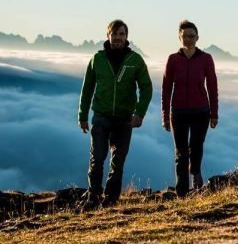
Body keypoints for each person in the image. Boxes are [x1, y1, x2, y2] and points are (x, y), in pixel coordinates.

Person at [78, 19, 153, 209]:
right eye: (114, 34)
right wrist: (82, 115)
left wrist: (139, 113)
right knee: (97, 158)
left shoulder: (135, 60)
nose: (118, 38)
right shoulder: (98, 59)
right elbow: (87, 89)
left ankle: (110, 199)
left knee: (118, 161)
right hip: (101, 116)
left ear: (127, 37)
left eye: (122, 34)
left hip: (124, 118)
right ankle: (93, 197)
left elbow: (146, 88)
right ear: (108, 35)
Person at [161, 20, 218, 197]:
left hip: (201, 111)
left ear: (198, 37)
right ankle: (182, 191)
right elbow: (166, 88)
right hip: (178, 112)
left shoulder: (206, 59)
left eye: (192, 36)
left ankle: (196, 176)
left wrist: (214, 114)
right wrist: (165, 115)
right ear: (179, 37)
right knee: (181, 152)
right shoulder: (173, 60)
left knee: (196, 147)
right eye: (185, 36)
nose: (189, 39)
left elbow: (213, 87)